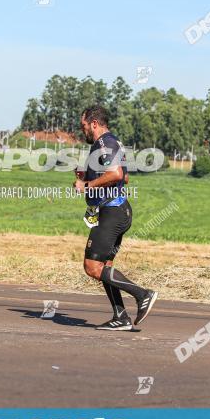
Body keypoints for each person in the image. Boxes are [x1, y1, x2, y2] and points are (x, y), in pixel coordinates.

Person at [74, 105, 158, 330]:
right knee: (105, 267)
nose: (83, 130)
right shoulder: (114, 142)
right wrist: (90, 175)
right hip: (119, 210)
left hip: (113, 212)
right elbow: (125, 178)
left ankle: (143, 295)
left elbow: (117, 174)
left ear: (94, 123)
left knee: (92, 266)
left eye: (83, 126)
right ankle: (120, 317)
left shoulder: (104, 143)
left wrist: (87, 184)